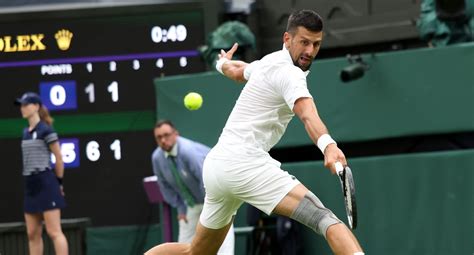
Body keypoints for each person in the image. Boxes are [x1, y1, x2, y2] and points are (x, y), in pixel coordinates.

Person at [146, 10, 364, 255]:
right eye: (304, 42)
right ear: (287, 39)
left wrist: (221, 63)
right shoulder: (290, 75)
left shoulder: (269, 62)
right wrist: (329, 146)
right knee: (325, 220)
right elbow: (307, 114)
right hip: (245, 164)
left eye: (316, 44)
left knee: (196, 252)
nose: (310, 51)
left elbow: (238, 72)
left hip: (217, 168)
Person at [151, 120, 235, 254]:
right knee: (183, 243)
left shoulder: (188, 152)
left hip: (216, 199)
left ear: (175, 134)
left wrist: (212, 207)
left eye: (166, 135)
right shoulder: (157, 158)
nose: (163, 140)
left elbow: (207, 180)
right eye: (159, 137)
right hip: (190, 204)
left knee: (223, 245)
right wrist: (180, 208)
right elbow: (164, 185)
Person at [14, 92, 68, 255]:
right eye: (21, 105)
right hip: (30, 185)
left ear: (36, 107)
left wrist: (59, 182)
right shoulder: (25, 132)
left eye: (26, 104)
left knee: (54, 231)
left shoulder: (46, 130)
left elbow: (58, 158)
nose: (22, 108)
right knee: (32, 234)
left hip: (46, 183)